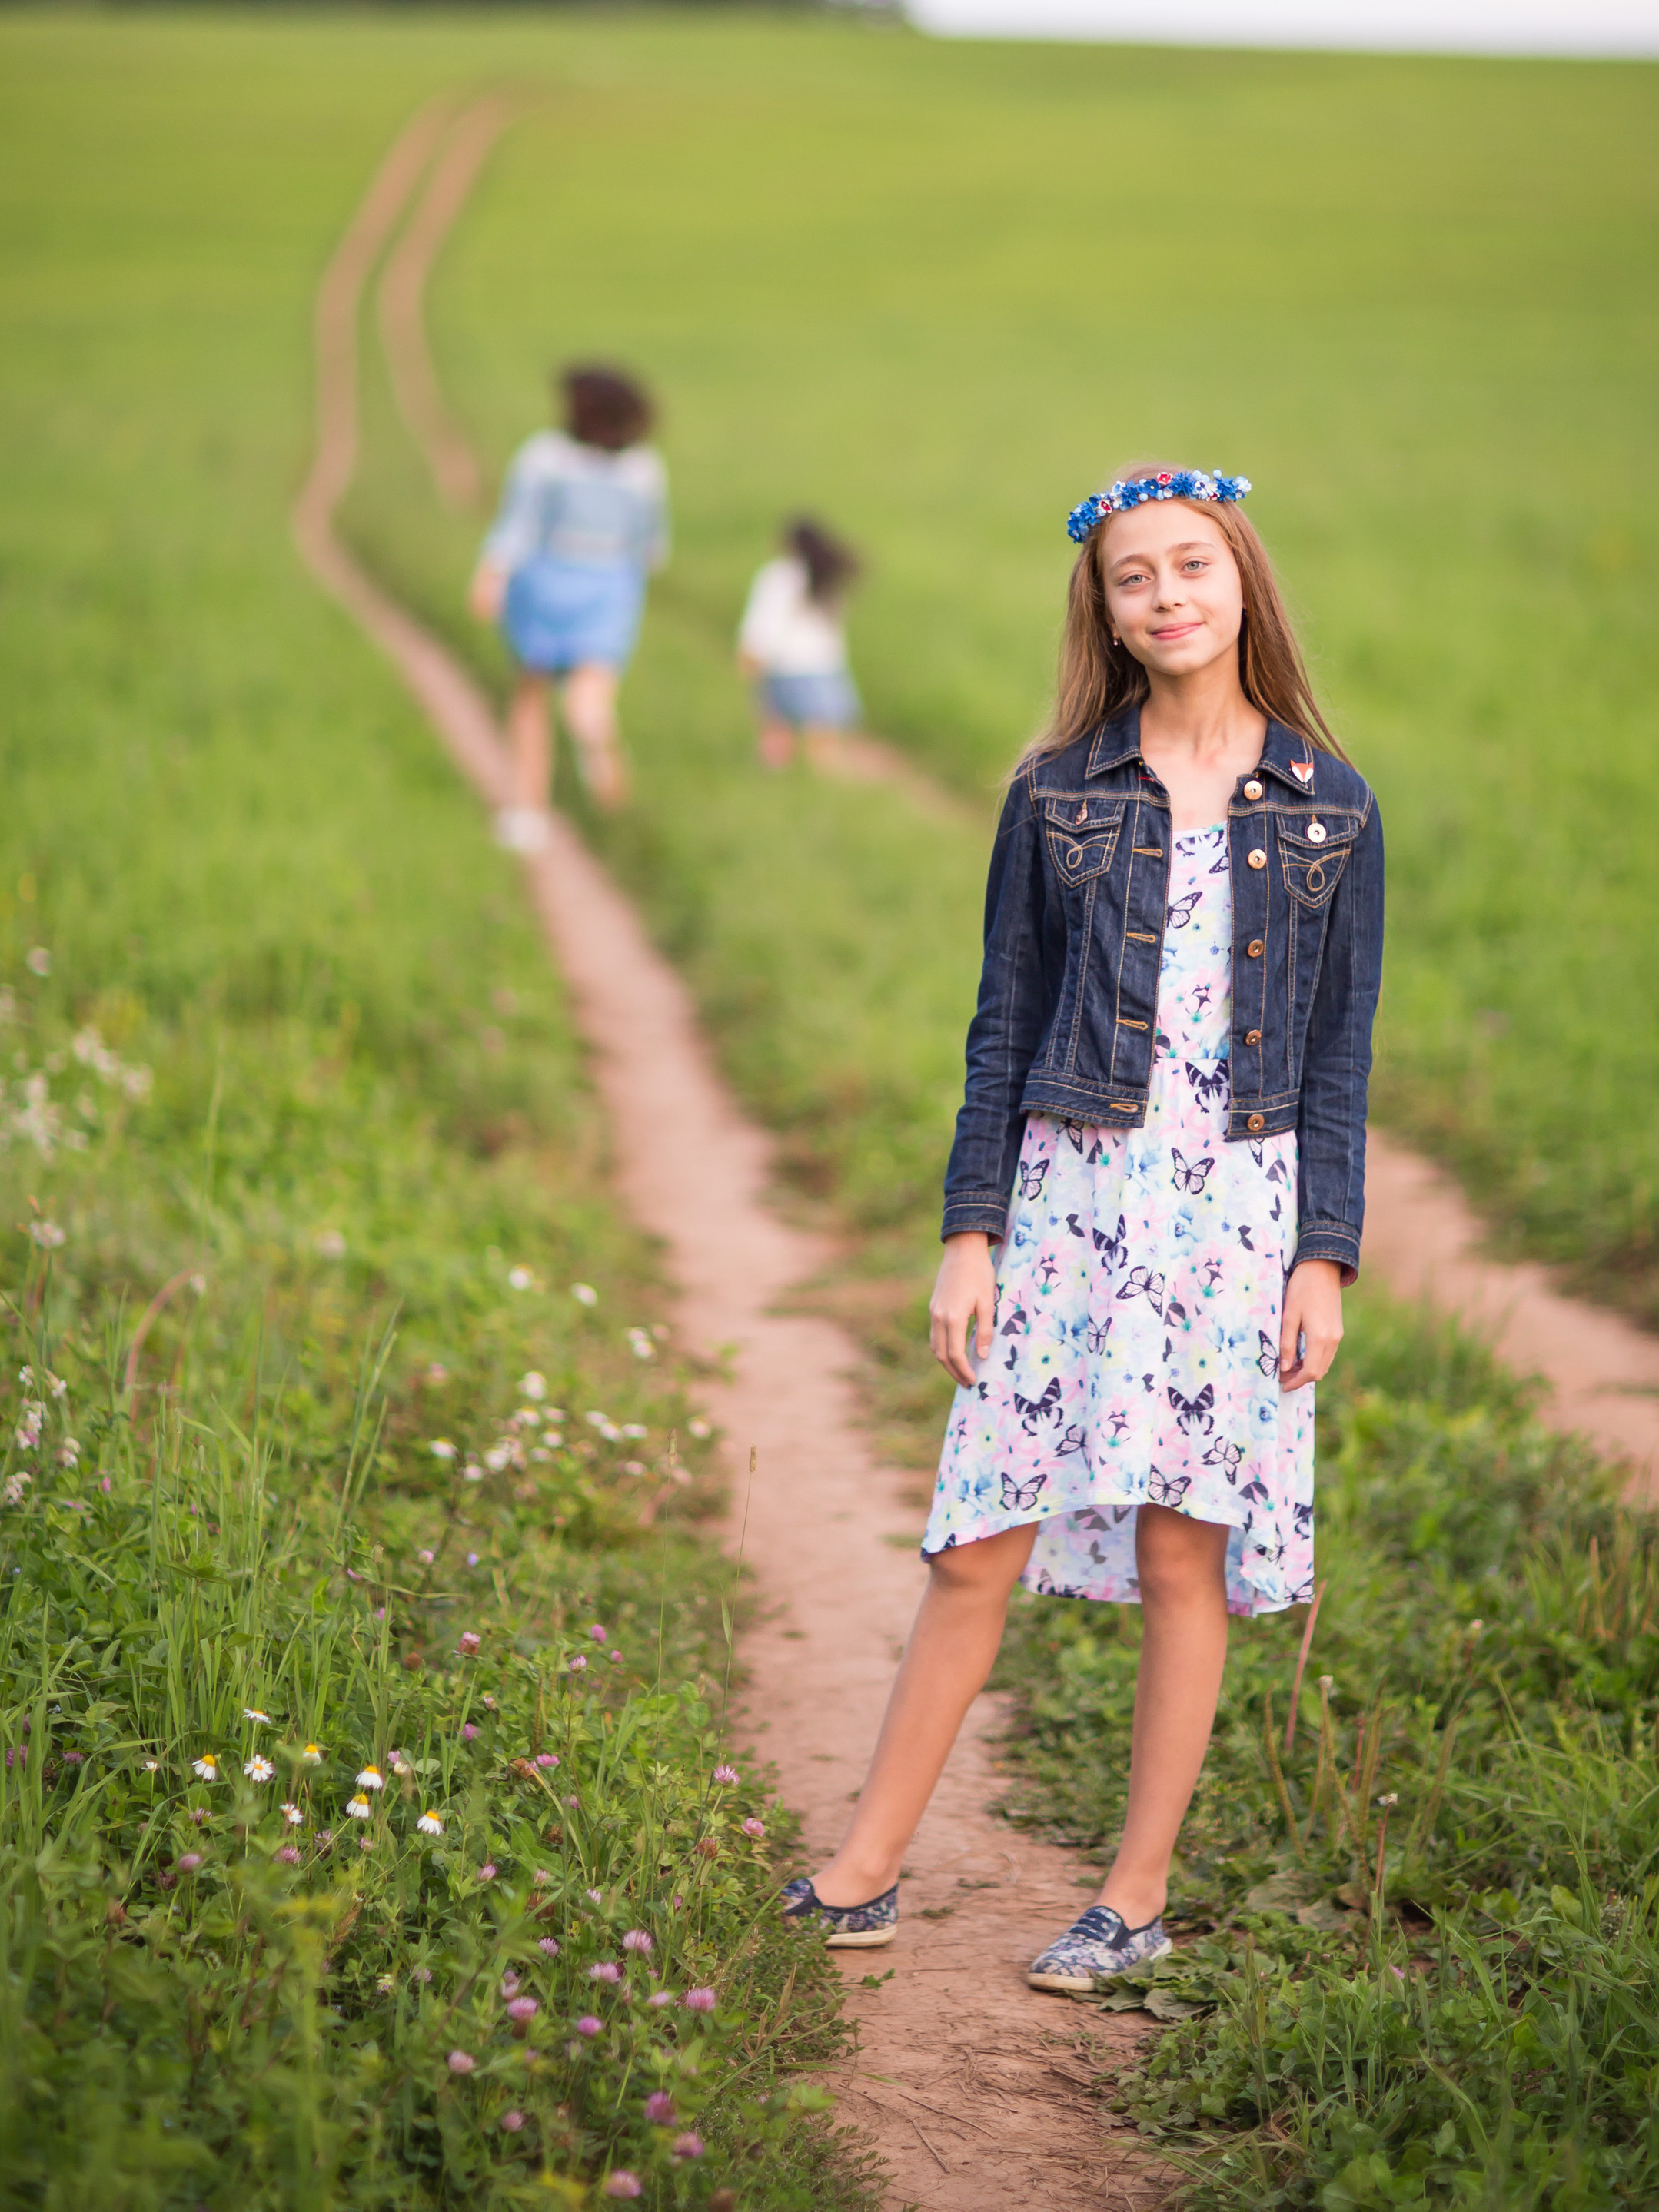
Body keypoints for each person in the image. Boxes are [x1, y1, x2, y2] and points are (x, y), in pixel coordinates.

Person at [780, 463, 1382, 1991]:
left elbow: (1334, 1053)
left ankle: (1132, 1892)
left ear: (1240, 578)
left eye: (1191, 565)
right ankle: (861, 1873)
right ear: (1101, 609)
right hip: (1067, 1206)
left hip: (1234, 1219)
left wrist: (1323, 1255)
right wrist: (966, 1228)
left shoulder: (1326, 807)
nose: (1166, 594)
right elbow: (1001, 1023)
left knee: (1186, 1560)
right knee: (973, 1542)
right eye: (1133, 577)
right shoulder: (1054, 791)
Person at [470, 364, 668, 849]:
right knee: (591, 695)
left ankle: (526, 809)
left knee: (530, 697)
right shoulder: (643, 468)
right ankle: (598, 749)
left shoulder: (544, 457)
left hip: (544, 580)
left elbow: (517, 523)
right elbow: (652, 547)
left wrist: (491, 574)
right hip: (608, 586)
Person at [736, 518, 864, 770]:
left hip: (784, 666)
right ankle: (827, 788)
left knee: (776, 734)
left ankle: (774, 783)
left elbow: (765, 620)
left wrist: (750, 655)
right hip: (824, 668)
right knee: (824, 744)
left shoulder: (778, 575)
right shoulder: (824, 575)